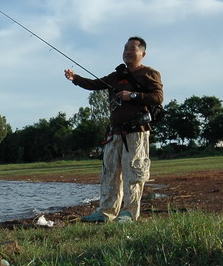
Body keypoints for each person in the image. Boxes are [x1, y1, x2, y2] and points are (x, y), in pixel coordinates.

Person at [64, 36, 163, 223]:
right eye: (125, 48)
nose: (127, 51)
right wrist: (75, 78)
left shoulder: (150, 74)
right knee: (109, 173)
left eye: (132, 48)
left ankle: (129, 213)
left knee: (133, 172)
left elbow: (158, 97)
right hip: (114, 133)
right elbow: (95, 84)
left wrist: (132, 95)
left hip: (136, 132)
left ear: (143, 53)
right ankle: (105, 212)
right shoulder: (116, 75)